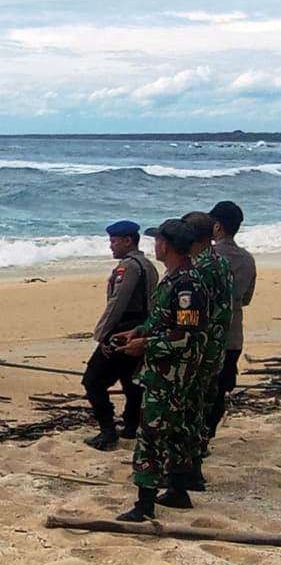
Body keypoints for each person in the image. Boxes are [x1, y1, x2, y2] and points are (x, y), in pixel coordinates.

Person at [114, 218, 209, 521]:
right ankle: (178, 491)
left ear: (166, 245)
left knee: (151, 435)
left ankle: (144, 504)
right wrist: (138, 332)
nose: (154, 245)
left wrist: (147, 346)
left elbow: (185, 334)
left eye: (157, 240)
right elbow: (162, 321)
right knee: (175, 431)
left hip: (170, 373)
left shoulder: (188, 284)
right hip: (166, 369)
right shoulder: (174, 278)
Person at [82, 220, 159, 451]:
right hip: (141, 327)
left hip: (124, 328)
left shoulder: (129, 267)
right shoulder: (148, 265)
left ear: (128, 241)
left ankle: (107, 431)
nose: (111, 247)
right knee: (131, 381)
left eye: (114, 241)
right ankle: (130, 426)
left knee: (93, 380)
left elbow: (118, 302)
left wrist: (103, 333)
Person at [182, 211, 233, 492]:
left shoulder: (199, 270)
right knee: (202, 405)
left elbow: (193, 316)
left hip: (199, 348)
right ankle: (194, 464)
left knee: (190, 408)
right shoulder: (221, 263)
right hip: (216, 346)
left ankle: (190, 471)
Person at [206, 201, 257, 438]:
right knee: (220, 390)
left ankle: (198, 438)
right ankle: (208, 435)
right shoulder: (247, 259)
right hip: (233, 335)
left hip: (207, 335)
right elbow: (246, 298)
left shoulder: (207, 257)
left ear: (217, 227)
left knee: (202, 389)